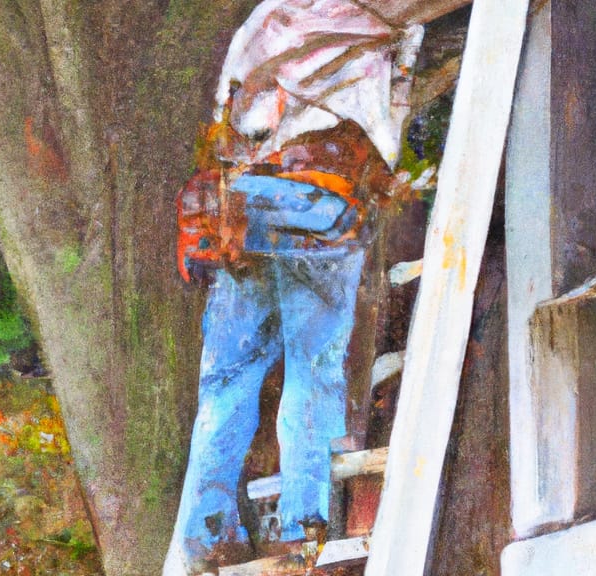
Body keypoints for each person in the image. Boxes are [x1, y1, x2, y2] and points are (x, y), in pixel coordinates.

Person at [165, 2, 422, 574]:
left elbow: (231, 130)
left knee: (228, 378)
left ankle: (209, 531)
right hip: (319, 199)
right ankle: (303, 516)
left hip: (249, 199)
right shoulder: (367, 13)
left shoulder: (258, 26)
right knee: (314, 363)